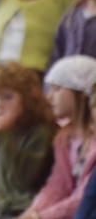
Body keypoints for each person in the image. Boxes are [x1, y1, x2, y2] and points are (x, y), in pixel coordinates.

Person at [0, 61, 56, 217]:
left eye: (7, 97)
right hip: (0, 204)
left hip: (25, 206)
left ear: (27, 98)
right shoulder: (1, 130)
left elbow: (24, 179)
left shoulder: (40, 132)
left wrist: (5, 136)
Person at [24, 55, 96, 219]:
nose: (49, 97)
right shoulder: (64, 138)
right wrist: (33, 212)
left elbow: (85, 198)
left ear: (82, 93)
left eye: (57, 89)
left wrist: (42, 217)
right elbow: (57, 185)